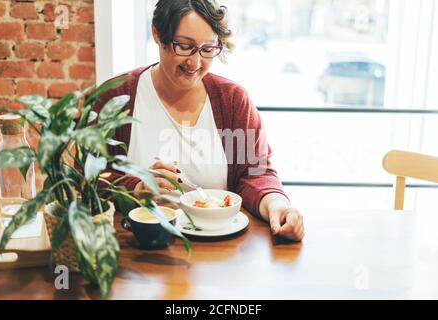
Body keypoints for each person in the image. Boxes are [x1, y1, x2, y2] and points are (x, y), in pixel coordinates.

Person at [94, 0, 304, 242]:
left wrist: (278, 206)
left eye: (207, 49)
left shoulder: (232, 101)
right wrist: (137, 187)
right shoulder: (117, 98)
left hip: (221, 250)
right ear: (157, 34)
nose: (195, 63)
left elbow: (256, 173)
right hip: (141, 250)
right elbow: (90, 177)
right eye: (184, 46)